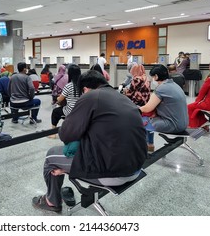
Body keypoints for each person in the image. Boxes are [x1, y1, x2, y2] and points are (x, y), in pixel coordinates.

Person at [32, 70, 147, 212]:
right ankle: (66, 171)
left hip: (113, 172)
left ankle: (52, 201)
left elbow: (66, 134)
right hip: (136, 168)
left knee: (51, 156)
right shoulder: (123, 98)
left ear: (85, 89)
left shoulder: (91, 96)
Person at [139, 64, 188, 152]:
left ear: (156, 76)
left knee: (141, 120)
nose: (152, 79)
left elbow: (148, 108)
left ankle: (145, 146)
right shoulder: (174, 85)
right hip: (183, 123)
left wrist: (135, 110)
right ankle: (149, 144)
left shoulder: (161, 88)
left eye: (153, 77)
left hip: (172, 125)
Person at [48, 64, 81, 138]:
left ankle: (53, 133)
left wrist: (57, 99)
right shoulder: (83, 85)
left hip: (71, 111)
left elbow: (60, 99)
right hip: (80, 110)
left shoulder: (69, 86)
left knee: (55, 112)